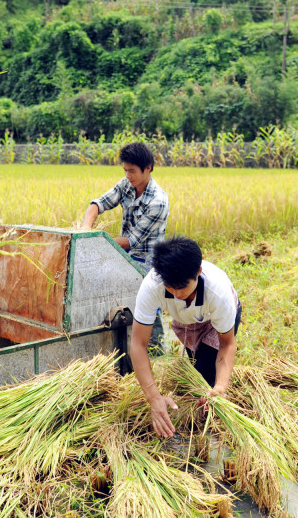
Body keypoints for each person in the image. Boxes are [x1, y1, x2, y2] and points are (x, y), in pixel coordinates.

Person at [129, 237, 241, 438]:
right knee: (196, 372)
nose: (177, 293)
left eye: (182, 287)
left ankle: (205, 435)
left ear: (198, 272)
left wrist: (221, 387)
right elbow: (138, 344)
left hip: (215, 321)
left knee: (207, 380)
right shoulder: (152, 285)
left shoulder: (218, 293)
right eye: (171, 288)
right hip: (188, 321)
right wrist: (153, 398)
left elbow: (227, 343)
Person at [81, 142, 169, 268]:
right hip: (124, 252)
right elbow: (98, 204)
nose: (128, 176)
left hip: (146, 261)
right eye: (125, 171)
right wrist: (85, 229)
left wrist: (97, 242)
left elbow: (131, 241)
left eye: (132, 171)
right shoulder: (126, 184)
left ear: (148, 168)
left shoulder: (158, 202)